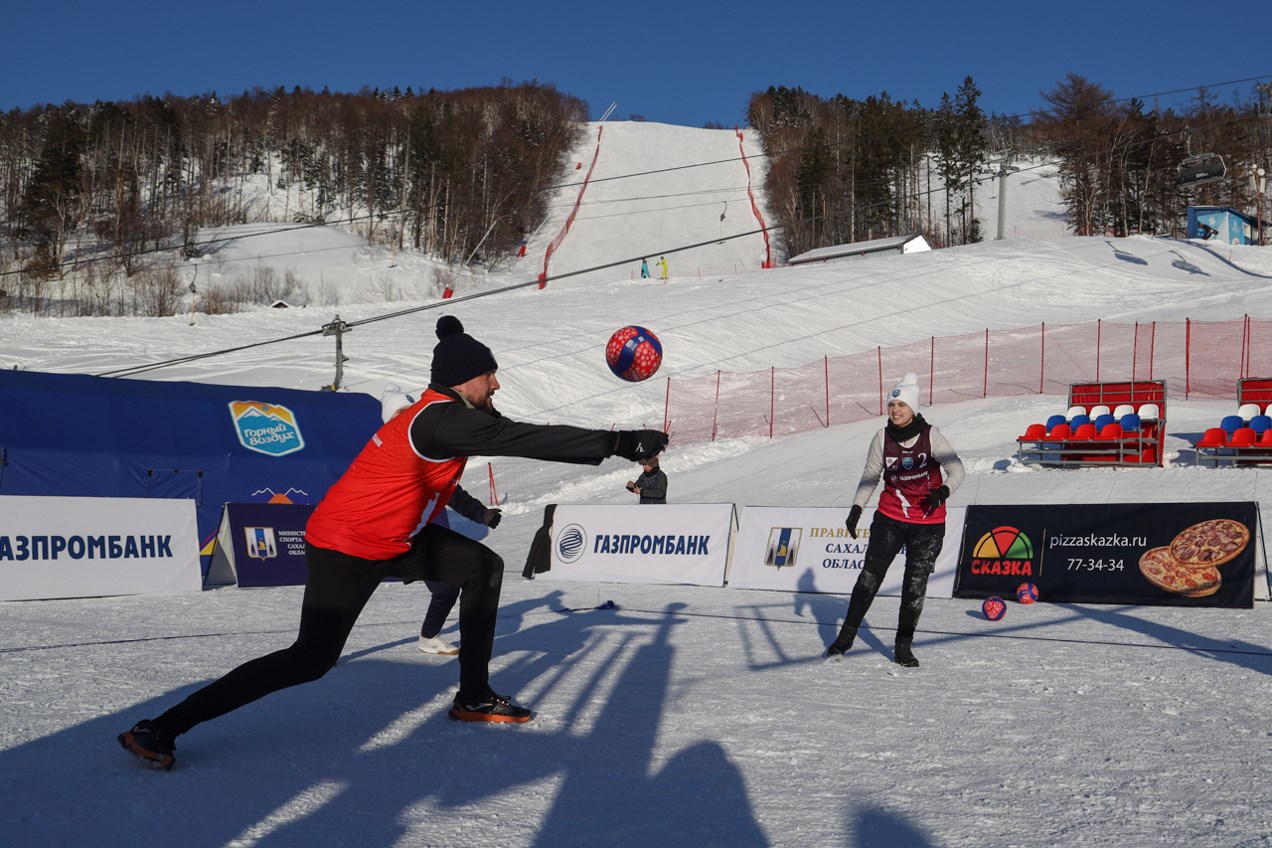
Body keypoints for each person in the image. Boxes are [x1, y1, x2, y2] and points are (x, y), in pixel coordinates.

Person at [118, 315, 669, 769]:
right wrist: (621, 441)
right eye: (489, 376)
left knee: (481, 567)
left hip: (397, 538)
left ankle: (473, 696)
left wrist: (451, 336)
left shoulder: (448, 412)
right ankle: (159, 727)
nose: (496, 385)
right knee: (309, 660)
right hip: (346, 546)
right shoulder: (439, 422)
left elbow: (488, 408)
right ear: (464, 382)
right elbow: (523, 438)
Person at [826, 372, 964, 668]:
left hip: (928, 522)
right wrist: (856, 508)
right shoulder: (882, 438)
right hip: (889, 516)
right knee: (869, 578)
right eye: (892, 405)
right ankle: (845, 638)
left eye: (901, 405)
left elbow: (957, 470)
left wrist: (942, 492)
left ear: (913, 408)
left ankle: (903, 646)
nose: (896, 410)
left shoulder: (931, 436)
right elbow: (870, 476)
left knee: (914, 586)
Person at [380, 384, 499, 657]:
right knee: (352, 592)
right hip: (375, 538)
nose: (407, 418)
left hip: (413, 537)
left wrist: (481, 514)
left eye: (408, 412)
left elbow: (452, 492)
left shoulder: (426, 456)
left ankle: (429, 637)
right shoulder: (385, 453)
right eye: (400, 414)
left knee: (446, 587)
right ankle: (323, 647)